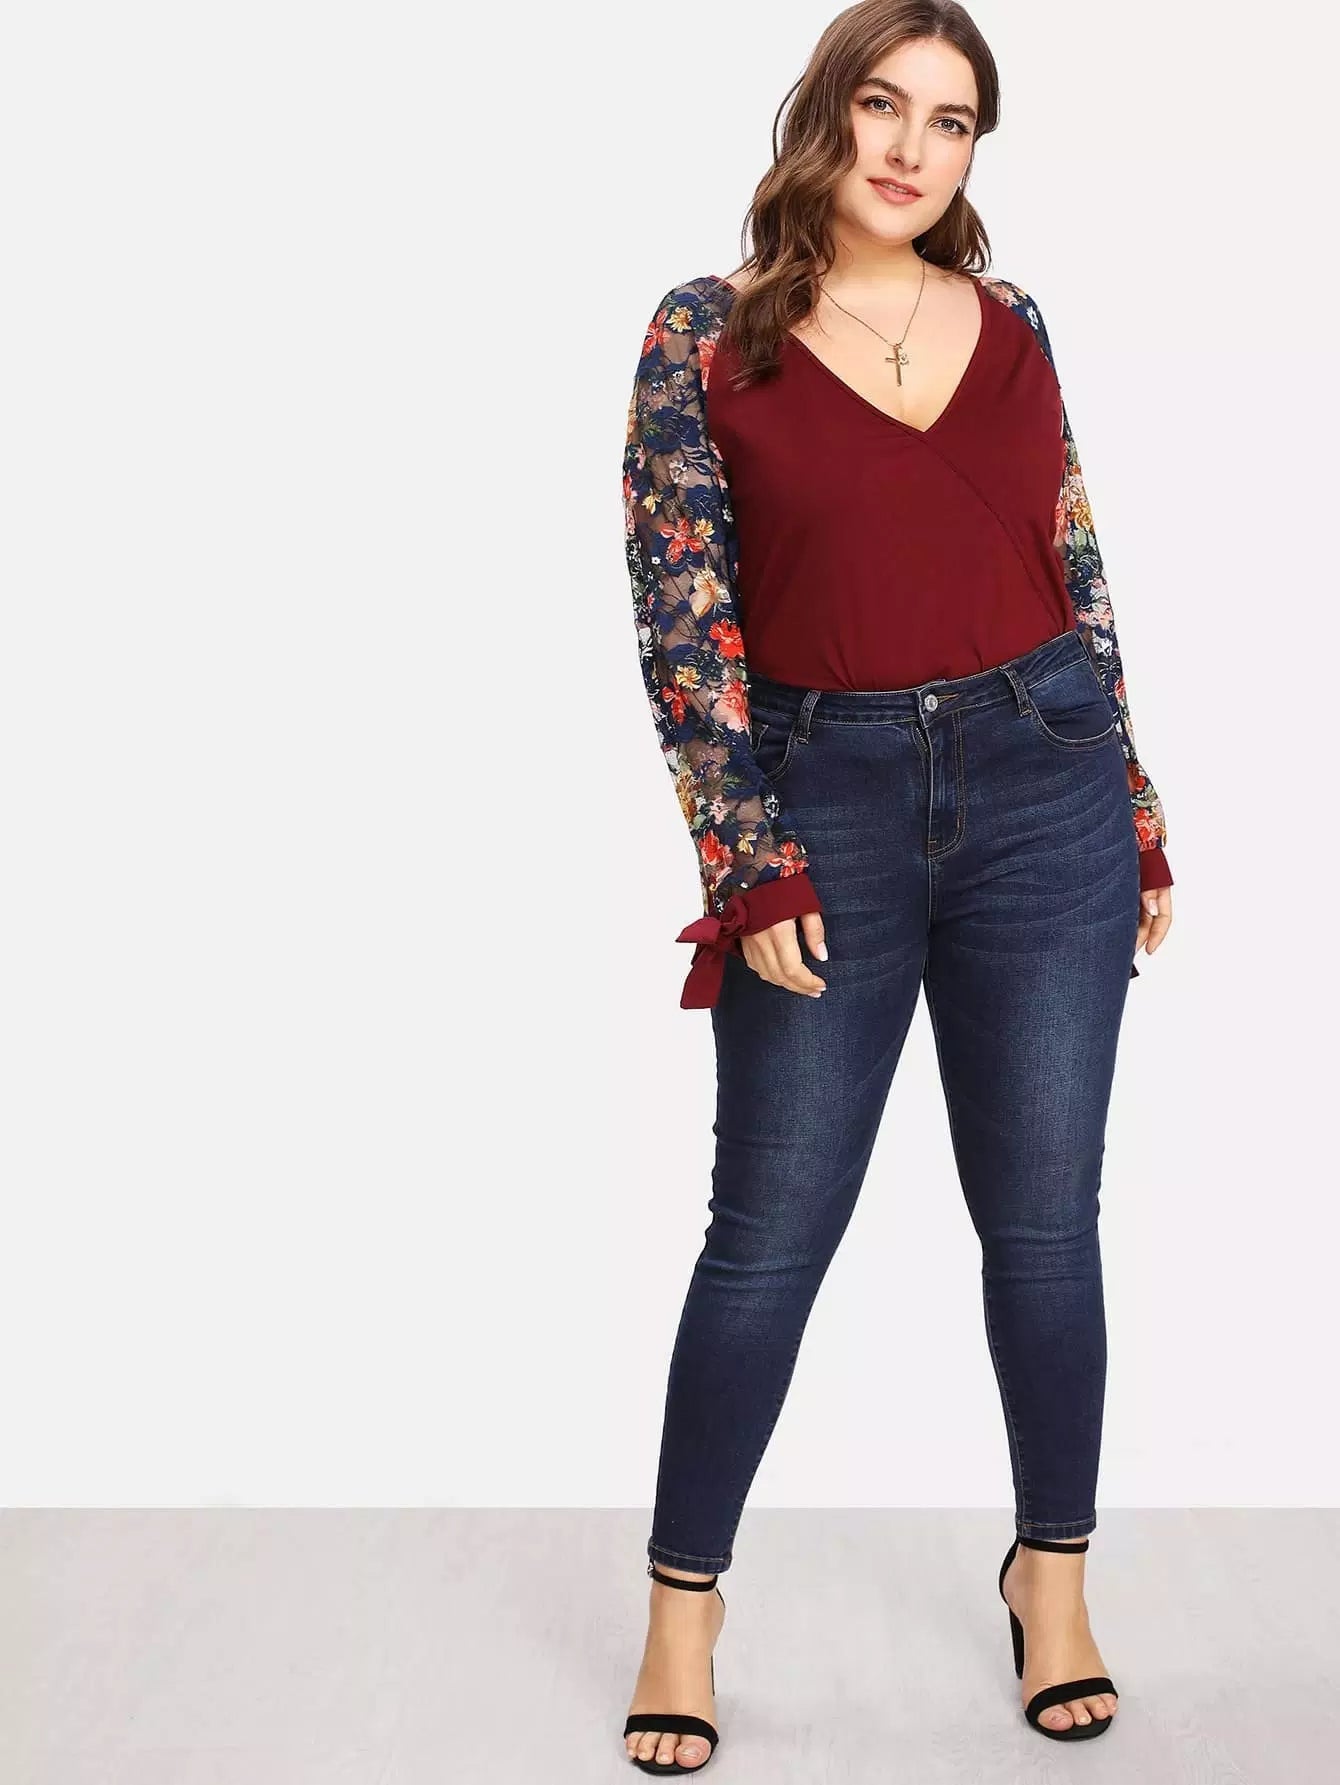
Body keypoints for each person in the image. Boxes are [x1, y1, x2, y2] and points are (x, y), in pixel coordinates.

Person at [619, 2, 1174, 1771]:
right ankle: (683, 1610)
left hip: (1043, 781)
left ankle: (1052, 1579)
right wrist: (745, 853)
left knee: (1047, 1224)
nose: (913, 148)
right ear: (824, 114)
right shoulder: (706, 334)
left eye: (951, 120)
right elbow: (685, 619)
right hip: (826, 804)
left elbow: (1071, 564)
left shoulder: (1015, 326)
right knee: (769, 1233)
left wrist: (1133, 801)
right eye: (884, 104)